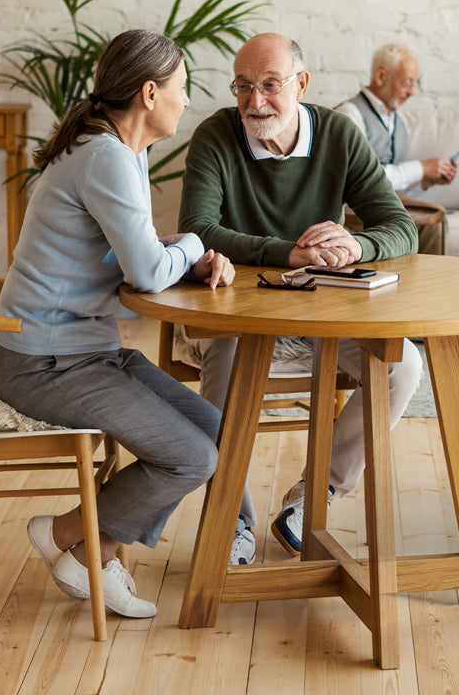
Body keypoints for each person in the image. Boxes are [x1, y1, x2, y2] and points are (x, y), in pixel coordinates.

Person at [0, 30, 234, 619]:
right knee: (192, 456)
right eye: (183, 87)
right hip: (40, 361)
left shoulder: (120, 151)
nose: (188, 100)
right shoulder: (106, 157)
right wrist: (196, 241)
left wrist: (182, 255)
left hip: (82, 351)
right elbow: (146, 271)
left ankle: (82, 545)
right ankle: (81, 541)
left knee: (214, 430)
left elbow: (137, 248)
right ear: (150, 93)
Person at [177, 32, 423, 559]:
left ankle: (317, 494)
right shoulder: (215, 136)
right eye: (243, 86)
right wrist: (283, 252)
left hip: (321, 314)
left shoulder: (337, 134)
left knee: (404, 365)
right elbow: (197, 229)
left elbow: (401, 228)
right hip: (235, 317)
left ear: (302, 84)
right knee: (226, 363)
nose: (254, 100)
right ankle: (232, 517)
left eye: (270, 85)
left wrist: (357, 244)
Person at [336, 43, 456, 253]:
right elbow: (357, 179)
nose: (412, 92)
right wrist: (421, 168)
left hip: (387, 199)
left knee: (434, 221)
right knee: (432, 221)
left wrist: (425, 180)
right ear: (381, 77)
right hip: (357, 204)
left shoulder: (398, 121)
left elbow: (396, 182)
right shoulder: (350, 114)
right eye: (407, 83)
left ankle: (427, 285)